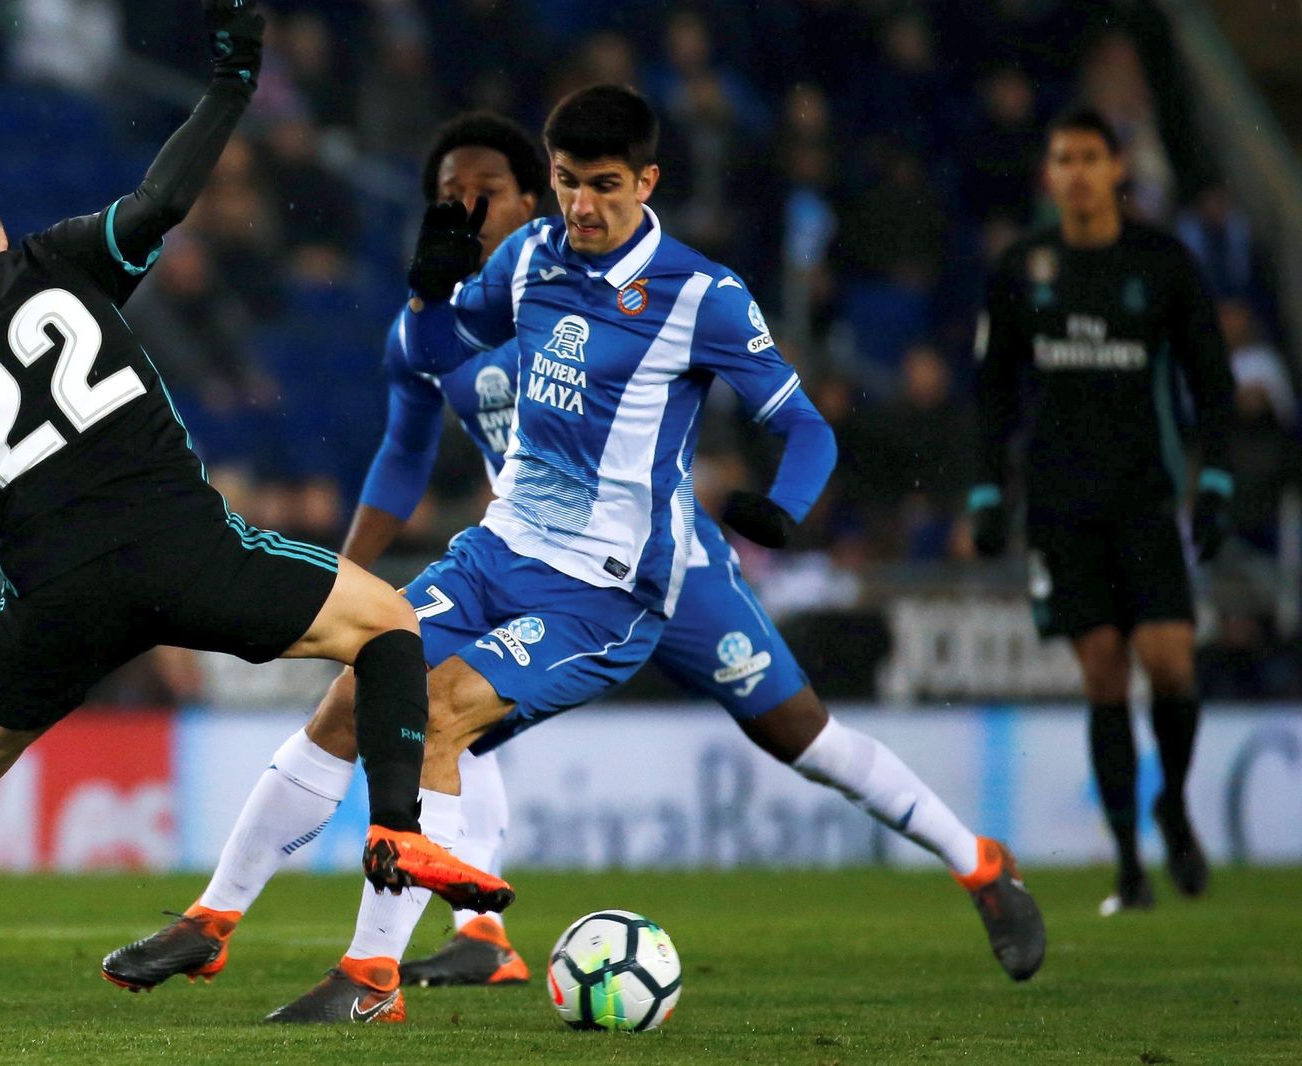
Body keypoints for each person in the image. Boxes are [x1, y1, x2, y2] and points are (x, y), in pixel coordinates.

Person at [105, 90, 1044, 1024]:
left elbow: (807, 428)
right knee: (359, 691)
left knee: (792, 734)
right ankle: (213, 919)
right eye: (567, 183)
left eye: (602, 185)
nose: (581, 205)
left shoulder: (701, 296)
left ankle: (978, 863)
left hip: (617, 586)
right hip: (498, 552)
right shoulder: (529, 256)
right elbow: (436, 350)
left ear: (647, 181)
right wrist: (429, 292)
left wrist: (782, 508)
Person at [0, 1, 508, 1028]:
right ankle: (395, 828)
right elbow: (164, 198)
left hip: (58, 595)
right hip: (182, 547)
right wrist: (232, 81)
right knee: (388, 624)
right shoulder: (49, 261)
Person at [970, 107, 1235, 915]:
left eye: (1091, 157)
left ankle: (1173, 804)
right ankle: (1128, 867)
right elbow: (993, 391)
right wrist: (987, 491)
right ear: (1049, 174)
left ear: (1118, 168)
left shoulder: (1162, 262)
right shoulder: (1022, 268)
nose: (1078, 172)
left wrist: (1216, 480)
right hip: (1060, 505)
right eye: (1064, 158)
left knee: (1170, 659)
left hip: (1145, 495)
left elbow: (1212, 378)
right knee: (1102, 669)